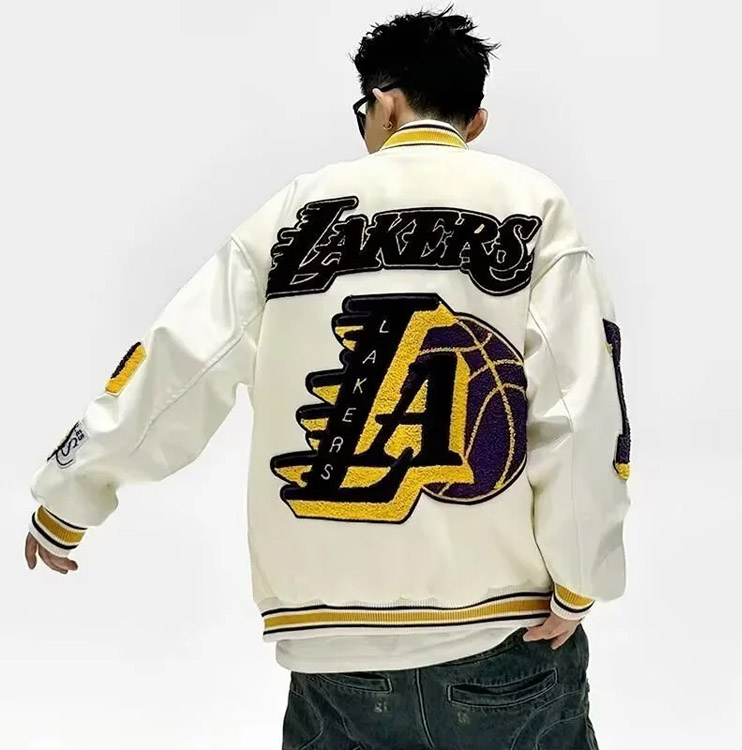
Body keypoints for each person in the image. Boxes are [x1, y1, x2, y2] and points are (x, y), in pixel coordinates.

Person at [24, 6, 631, 749]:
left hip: (333, 651)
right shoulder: (534, 208)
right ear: (475, 122)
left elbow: (178, 362)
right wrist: (580, 574)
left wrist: (70, 493)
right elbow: (580, 405)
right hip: (501, 633)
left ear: (385, 103)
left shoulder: (292, 215)